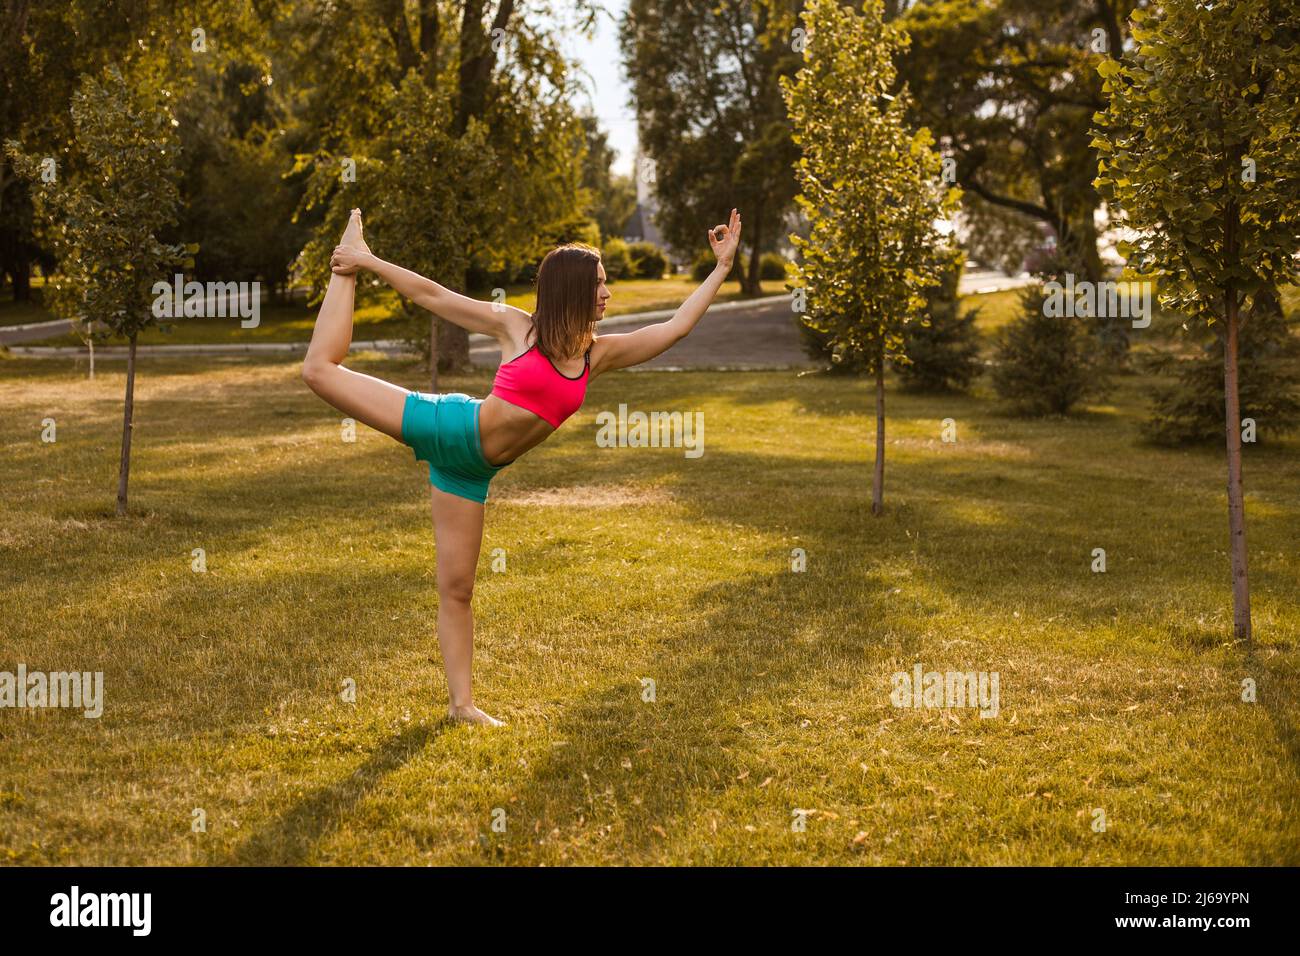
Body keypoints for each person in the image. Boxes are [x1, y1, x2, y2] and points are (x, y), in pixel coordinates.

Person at [303, 207, 742, 725]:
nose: (607, 294)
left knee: (457, 588)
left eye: (606, 284)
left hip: (470, 474)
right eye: (599, 284)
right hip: (446, 426)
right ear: (572, 289)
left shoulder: (594, 355)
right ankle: (344, 268)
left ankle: (461, 706)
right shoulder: (518, 329)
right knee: (318, 371)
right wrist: (367, 261)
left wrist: (720, 269)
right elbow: (434, 297)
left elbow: (675, 328)